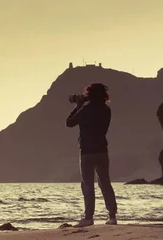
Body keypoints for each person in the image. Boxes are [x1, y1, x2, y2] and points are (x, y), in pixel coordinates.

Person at [66, 83, 117, 227]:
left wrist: (78, 106)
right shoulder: (106, 110)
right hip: (102, 149)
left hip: (87, 151)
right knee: (105, 183)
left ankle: (88, 217)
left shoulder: (85, 110)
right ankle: (112, 216)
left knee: (87, 184)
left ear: (89, 94)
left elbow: (69, 123)